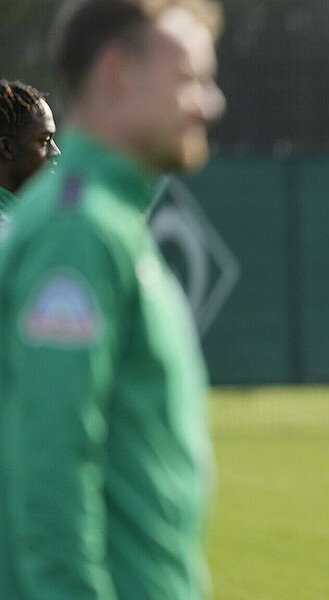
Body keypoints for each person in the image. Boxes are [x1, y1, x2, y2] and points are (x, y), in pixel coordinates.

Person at [0, 0, 225, 598]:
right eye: (190, 80)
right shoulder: (78, 228)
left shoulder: (102, 217)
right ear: (117, 72)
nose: (211, 103)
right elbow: (51, 463)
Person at [0, 80, 60, 234]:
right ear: (7, 148)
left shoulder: (25, 219)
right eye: (44, 141)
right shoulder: (11, 235)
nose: (56, 153)